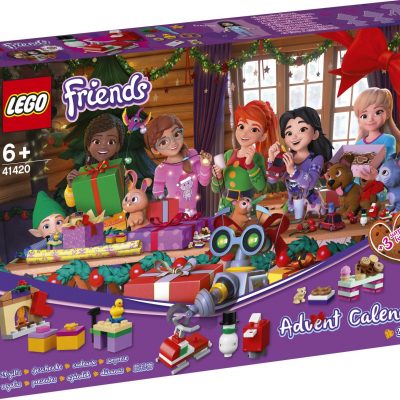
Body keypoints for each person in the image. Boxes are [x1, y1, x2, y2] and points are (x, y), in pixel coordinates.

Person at [211, 100, 279, 210]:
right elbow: (215, 189)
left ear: (263, 136)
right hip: (225, 206)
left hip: (246, 208)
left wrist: (250, 165)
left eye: (254, 129)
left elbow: (260, 187)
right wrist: (217, 176)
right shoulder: (228, 154)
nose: (244, 133)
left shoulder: (257, 158)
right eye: (241, 126)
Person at [268, 106, 333, 213]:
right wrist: (272, 159)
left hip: (312, 206)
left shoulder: (316, 158)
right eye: (289, 133)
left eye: (302, 129)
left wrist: (292, 171)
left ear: (315, 134)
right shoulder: (288, 157)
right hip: (292, 206)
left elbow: (311, 183)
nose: (294, 136)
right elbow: (272, 180)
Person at [144, 114, 212, 216]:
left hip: (194, 214)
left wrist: (205, 166)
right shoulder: (161, 169)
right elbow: (158, 196)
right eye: (164, 142)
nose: (173, 143)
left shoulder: (192, 155)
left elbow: (204, 182)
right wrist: (165, 218)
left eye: (176, 134)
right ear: (155, 150)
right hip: (174, 216)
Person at [64, 113, 125, 207]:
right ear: (88, 145)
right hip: (92, 215)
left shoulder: (119, 169)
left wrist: (126, 185)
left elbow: (129, 197)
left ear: (118, 146)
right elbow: (71, 203)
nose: (103, 145)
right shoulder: (84, 173)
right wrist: (71, 187)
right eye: (97, 141)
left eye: (111, 142)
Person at [353, 87, 400, 180]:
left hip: (379, 184)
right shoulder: (359, 143)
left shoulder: (388, 139)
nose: (370, 118)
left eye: (378, 112)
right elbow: (356, 175)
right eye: (364, 116)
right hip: (360, 185)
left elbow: (389, 168)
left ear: (388, 113)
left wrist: (375, 177)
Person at [24, 191, 67, 255]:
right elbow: (29, 250)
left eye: (58, 222)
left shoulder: (69, 237)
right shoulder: (47, 240)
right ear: (37, 233)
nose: (54, 230)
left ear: (66, 222)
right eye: (46, 226)